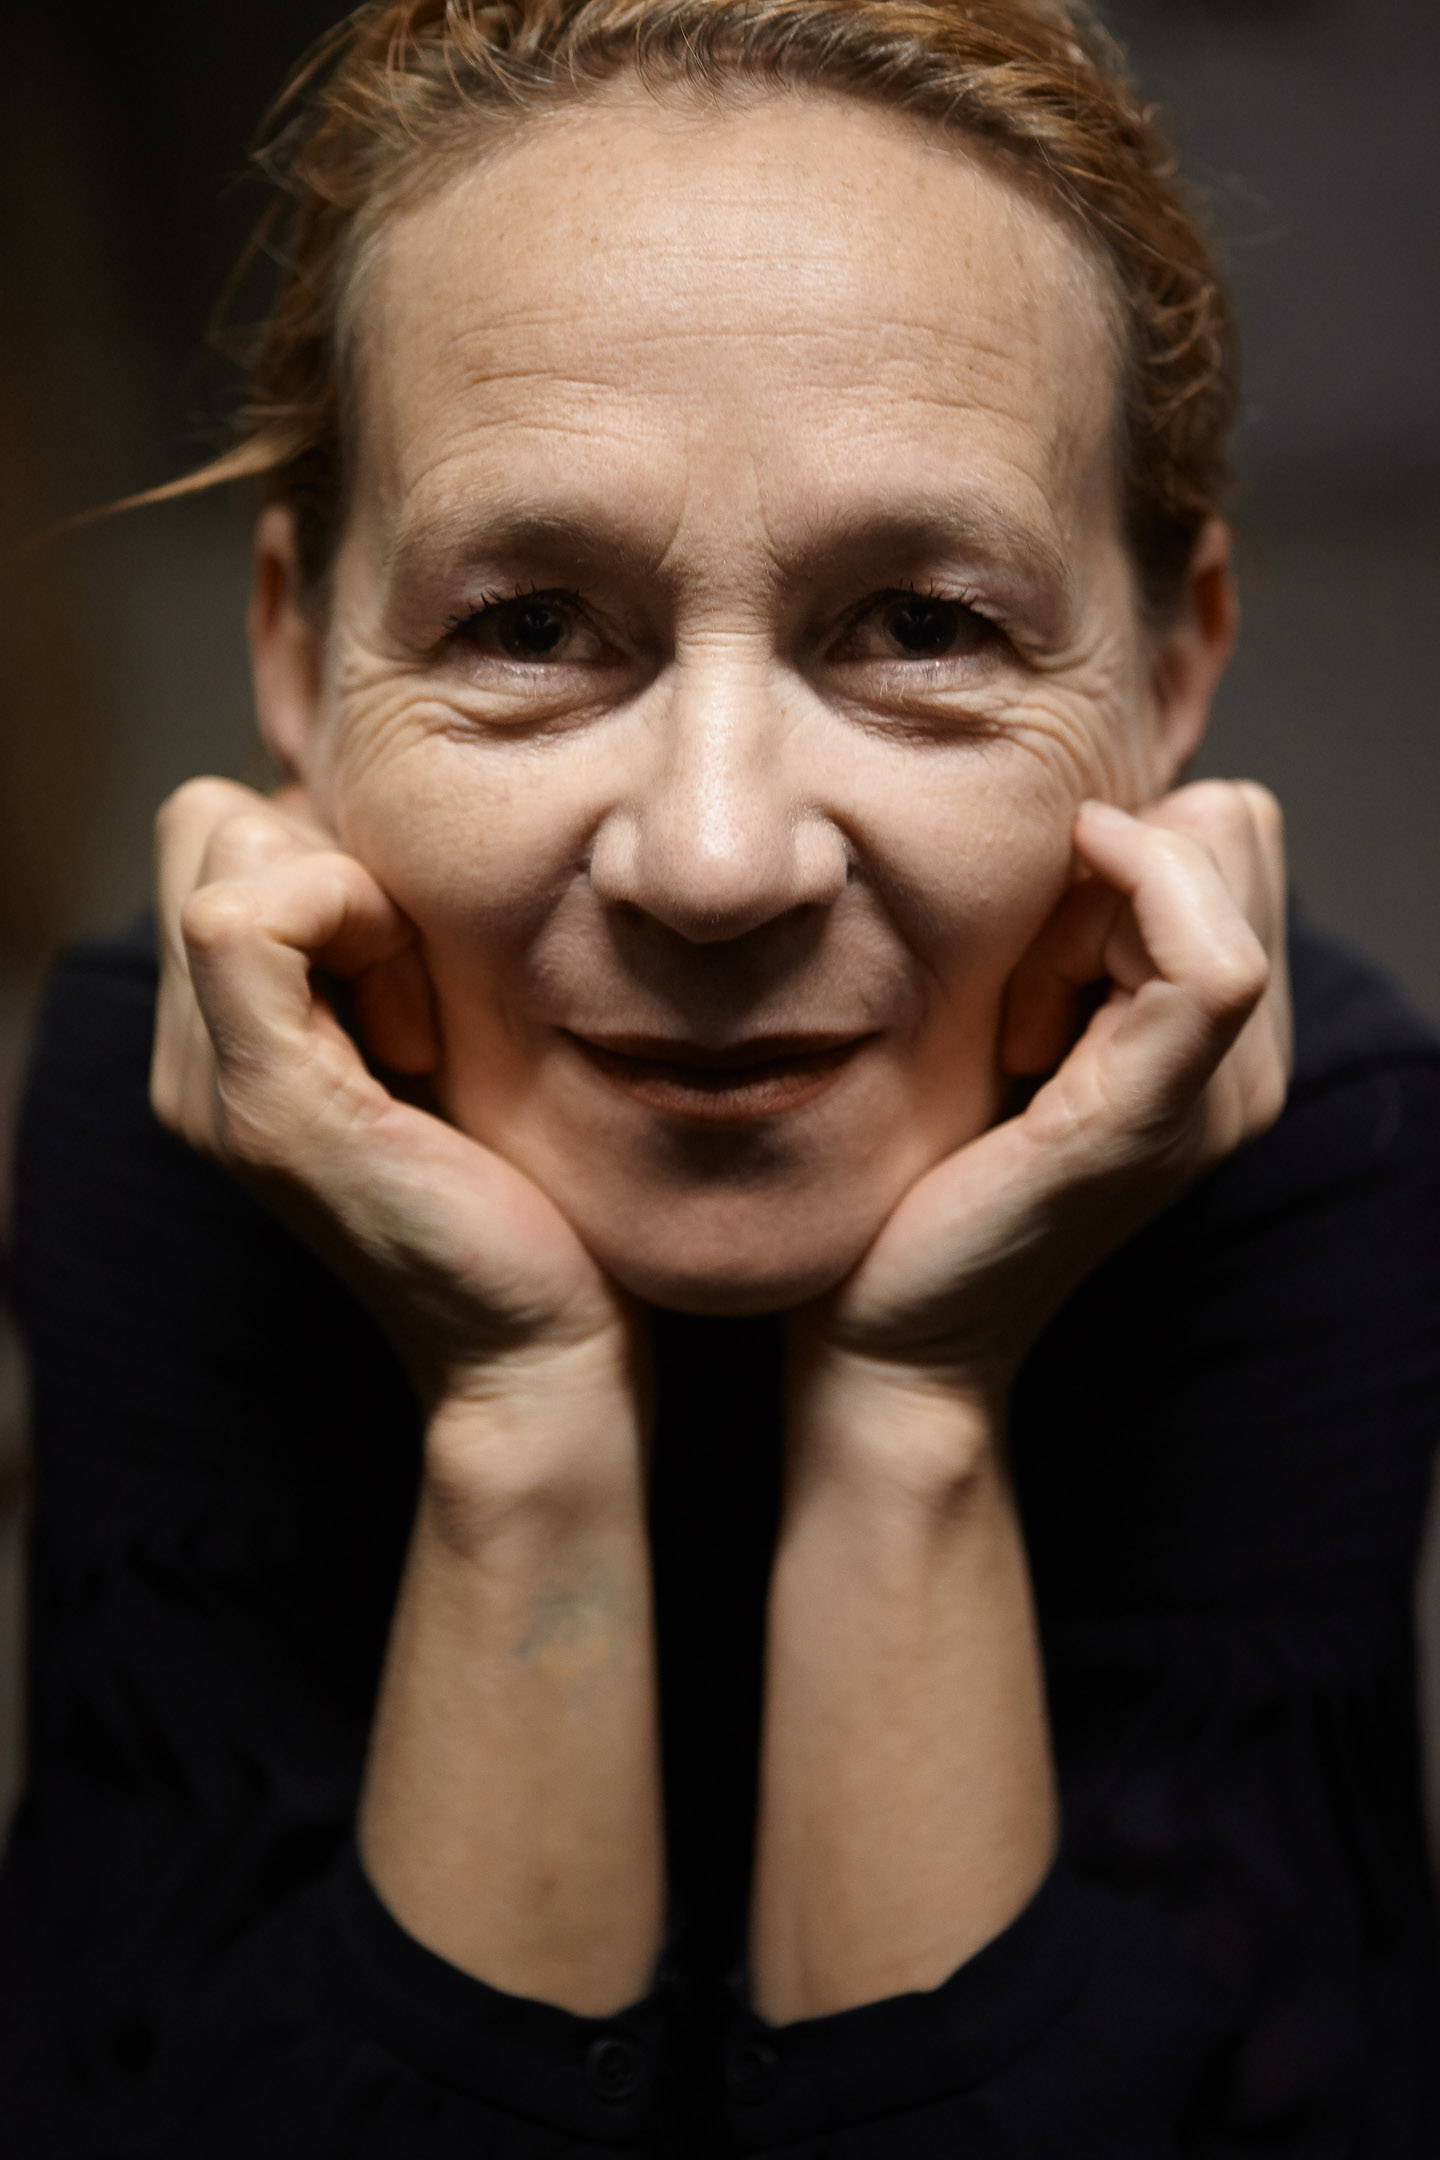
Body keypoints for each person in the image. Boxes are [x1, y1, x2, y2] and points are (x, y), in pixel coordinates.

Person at [3, 0, 1439, 2150]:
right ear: (297, 649)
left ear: (1171, 664)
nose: (713, 858)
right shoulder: (187, 1114)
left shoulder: (1300, 1142)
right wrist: (518, 1420)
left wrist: (914, 1417)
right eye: (529, 625)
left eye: (923, 625)